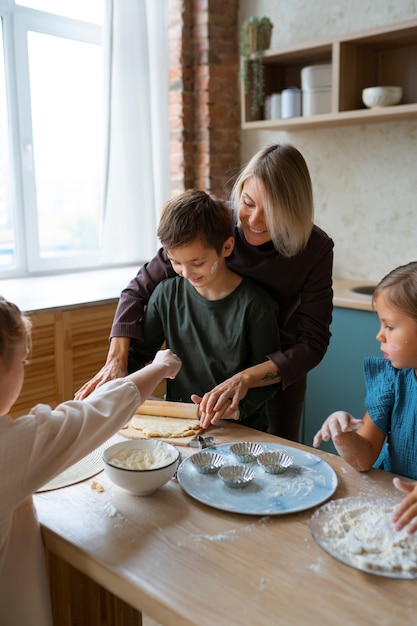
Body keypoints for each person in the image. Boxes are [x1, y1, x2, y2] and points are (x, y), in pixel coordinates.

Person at [75, 144, 334, 441]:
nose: (254, 220)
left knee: (276, 461)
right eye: (248, 203)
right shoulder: (217, 224)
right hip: (201, 387)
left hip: (275, 374)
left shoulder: (315, 249)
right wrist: (116, 360)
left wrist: (246, 379)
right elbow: (138, 290)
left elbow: (313, 343)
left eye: (272, 211)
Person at [0, 295, 181, 626]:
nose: (24, 371)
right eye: (22, 363)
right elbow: (93, 414)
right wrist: (160, 367)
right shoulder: (9, 447)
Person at [125, 189, 281, 430]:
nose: (186, 274)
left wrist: (234, 410)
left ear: (227, 248)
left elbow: (268, 380)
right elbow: (138, 354)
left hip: (242, 428)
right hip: (180, 423)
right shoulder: (166, 295)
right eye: (175, 262)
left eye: (197, 263)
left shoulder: (257, 305)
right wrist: (113, 386)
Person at [312, 261, 417, 532]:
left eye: (390, 326)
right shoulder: (393, 378)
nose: (379, 334)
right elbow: (365, 457)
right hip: (389, 505)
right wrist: (343, 433)